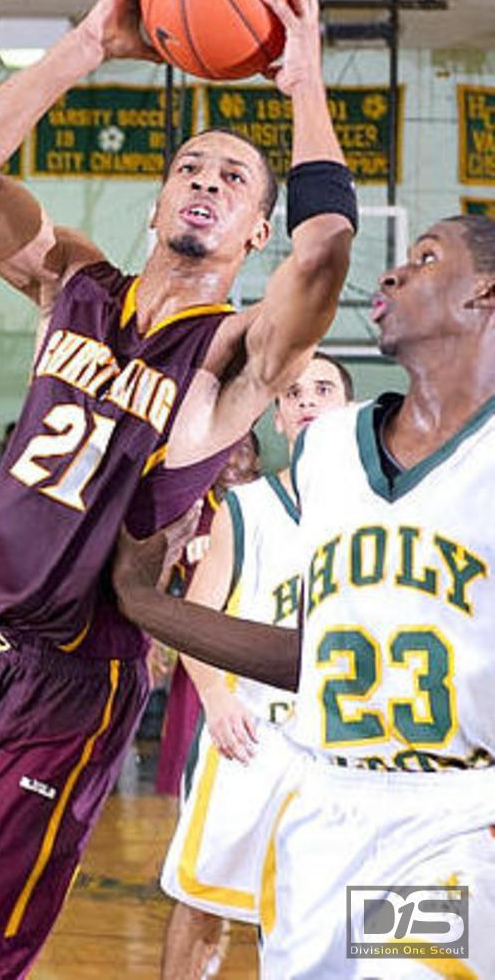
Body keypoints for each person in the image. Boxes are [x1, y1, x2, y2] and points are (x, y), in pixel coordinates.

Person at [0, 0, 356, 979]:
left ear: (255, 228)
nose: (205, 186)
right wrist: (86, 44)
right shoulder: (70, 283)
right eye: (188, 171)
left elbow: (325, 252)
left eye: (233, 181)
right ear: (155, 205)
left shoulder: (229, 357)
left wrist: (302, 81)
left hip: (70, 679)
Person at [114, 216, 495, 977]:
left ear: (484, 294)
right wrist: (145, 602)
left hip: (450, 813)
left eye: (425, 259)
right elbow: (317, 655)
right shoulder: (329, 449)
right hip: (320, 805)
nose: (390, 275)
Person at [160, 353, 353, 980]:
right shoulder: (246, 509)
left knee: (326, 917)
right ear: (276, 416)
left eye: (323, 389)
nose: (307, 400)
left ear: (349, 411)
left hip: (344, 749)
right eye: (293, 392)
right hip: (252, 737)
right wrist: (216, 701)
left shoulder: (382, 509)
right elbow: (196, 616)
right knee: (202, 901)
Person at [154, 430, 261, 798]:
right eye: (225, 453)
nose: (232, 462)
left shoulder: (274, 506)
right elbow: (160, 578)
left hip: (259, 650)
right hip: (201, 650)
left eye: (243, 452)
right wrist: (153, 641)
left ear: (257, 461)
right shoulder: (192, 510)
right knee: (193, 761)